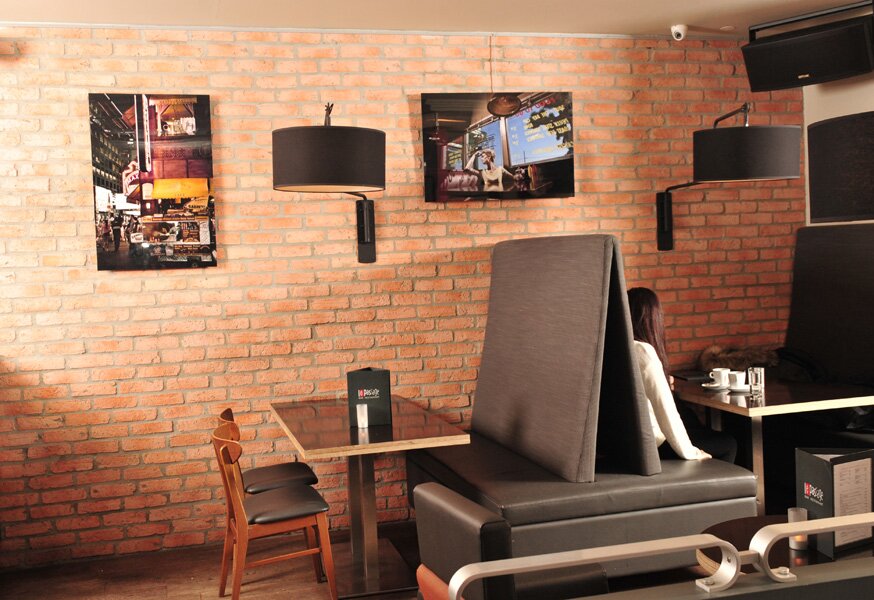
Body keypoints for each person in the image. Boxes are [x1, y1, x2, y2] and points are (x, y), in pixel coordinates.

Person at [627, 287, 737, 463]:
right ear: (653, 319)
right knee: (728, 444)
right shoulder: (642, 350)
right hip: (653, 445)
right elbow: (666, 412)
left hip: (628, 444)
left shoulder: (615, 349)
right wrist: (690, 452)